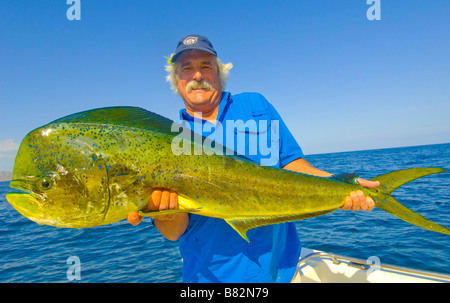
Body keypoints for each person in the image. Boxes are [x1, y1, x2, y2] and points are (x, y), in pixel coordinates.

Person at [128, 35, 380, 282]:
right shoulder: (168, 139)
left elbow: (293, 165)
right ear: (176, 79)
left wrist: (343, 186)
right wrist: (165, 214)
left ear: (219, 73)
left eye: (206, 66)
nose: (197, 75)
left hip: (282, 270)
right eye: (187, 68)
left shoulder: (255, 105)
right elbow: (174, 233)